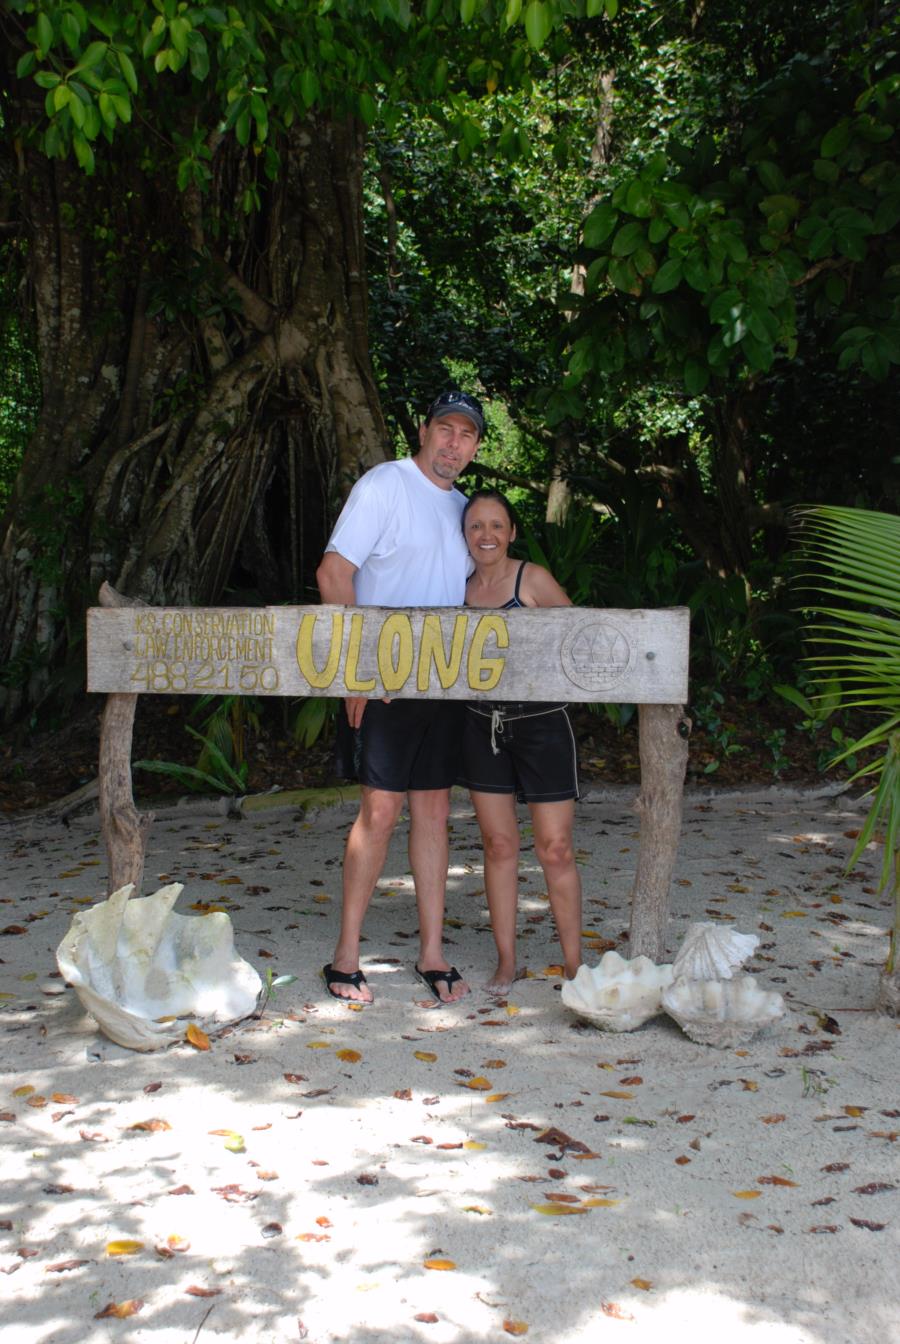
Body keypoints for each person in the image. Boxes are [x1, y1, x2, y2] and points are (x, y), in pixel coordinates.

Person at [315, 390, 484, 1005]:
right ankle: (345, 957)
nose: (452, 443)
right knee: (379, 813)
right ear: (423, 429)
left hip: (443, 681)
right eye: (444, 429)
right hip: (382, 683)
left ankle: (432, 953)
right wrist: (357, 671)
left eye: (466, 435)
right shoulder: (384, 484)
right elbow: (334, 572)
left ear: (474, 447)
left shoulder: (464, 509)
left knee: (435, 812)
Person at [458, 489, 583, 993]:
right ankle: (508, 962)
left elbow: (578, 637)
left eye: (496, 526)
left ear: (511, 533)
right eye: (475, 526)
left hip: (542, 725)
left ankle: (575, 967)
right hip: (479, 725)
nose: (486, 535)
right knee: (498, 845)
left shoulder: (531, 579)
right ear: (464, 535)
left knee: (555, 849)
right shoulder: (455, 586)